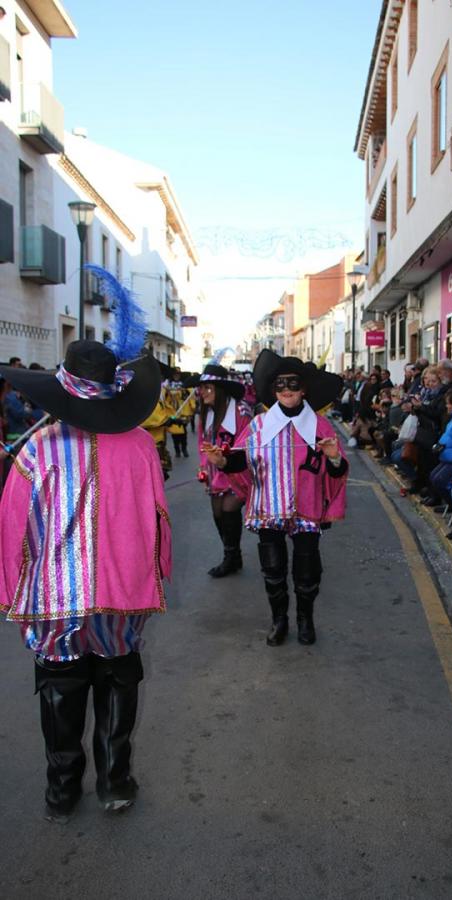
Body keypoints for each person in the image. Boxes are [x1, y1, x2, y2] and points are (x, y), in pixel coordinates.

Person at [0, 339, 171, 822]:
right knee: (117, 676)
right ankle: (114, 782)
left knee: (62, 682)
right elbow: (160, 521)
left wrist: (9, 586)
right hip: (124, 589)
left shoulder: (39, 446)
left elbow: (11, 522)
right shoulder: (140, 444)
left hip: (55, 594)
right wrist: (154, 576)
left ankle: (62, 790)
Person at [204, 350, 348, 647]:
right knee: (273, 569)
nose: (286, 390)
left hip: (307, 511)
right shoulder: (258, 425)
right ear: (273, 390)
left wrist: (333, 458)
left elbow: (338, 472)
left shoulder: (320, 426)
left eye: (293, 384)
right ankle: (279, 620)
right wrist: (221, 462)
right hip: (269, 509)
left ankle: (305, 620)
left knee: (307, 571)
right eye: (280, 385)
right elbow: (240, 462)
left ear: (304, 388)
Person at [191, 364, 252, 578]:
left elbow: (248, 442)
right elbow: (202, 441)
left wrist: (226, 459)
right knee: (217, 512)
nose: (203, 392)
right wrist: (203, 463)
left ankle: (230, 558)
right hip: (215, 472)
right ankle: (233, 555)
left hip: (239, 471)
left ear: (220, 389)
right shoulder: (206, 413)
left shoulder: (241, 410)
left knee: (229, 509)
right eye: (201, 388)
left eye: (208, 388)